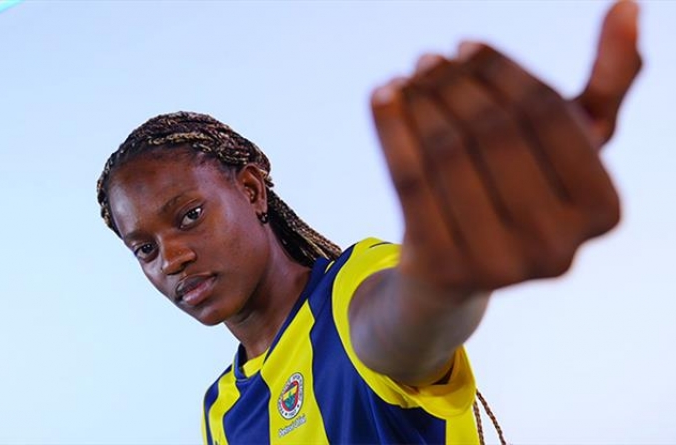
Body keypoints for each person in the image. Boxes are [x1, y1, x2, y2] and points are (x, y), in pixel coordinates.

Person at [95, 0, 641, 442]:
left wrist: (447, 280)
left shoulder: (353, 289)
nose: (171, 259)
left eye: (190, 216)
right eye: (145, 248)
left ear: (251, 190)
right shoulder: (222, 412)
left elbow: (401, 329)